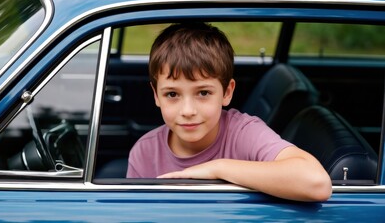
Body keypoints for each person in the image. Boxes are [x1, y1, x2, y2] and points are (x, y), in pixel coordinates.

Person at [126, 22, 332, 202]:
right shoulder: (144, 153)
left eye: (203, 92)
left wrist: (217, 168)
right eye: (172, 94)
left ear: (227, 92)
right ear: (156, 95)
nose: (187, 111)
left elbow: (316, 183)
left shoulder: (243, 133)